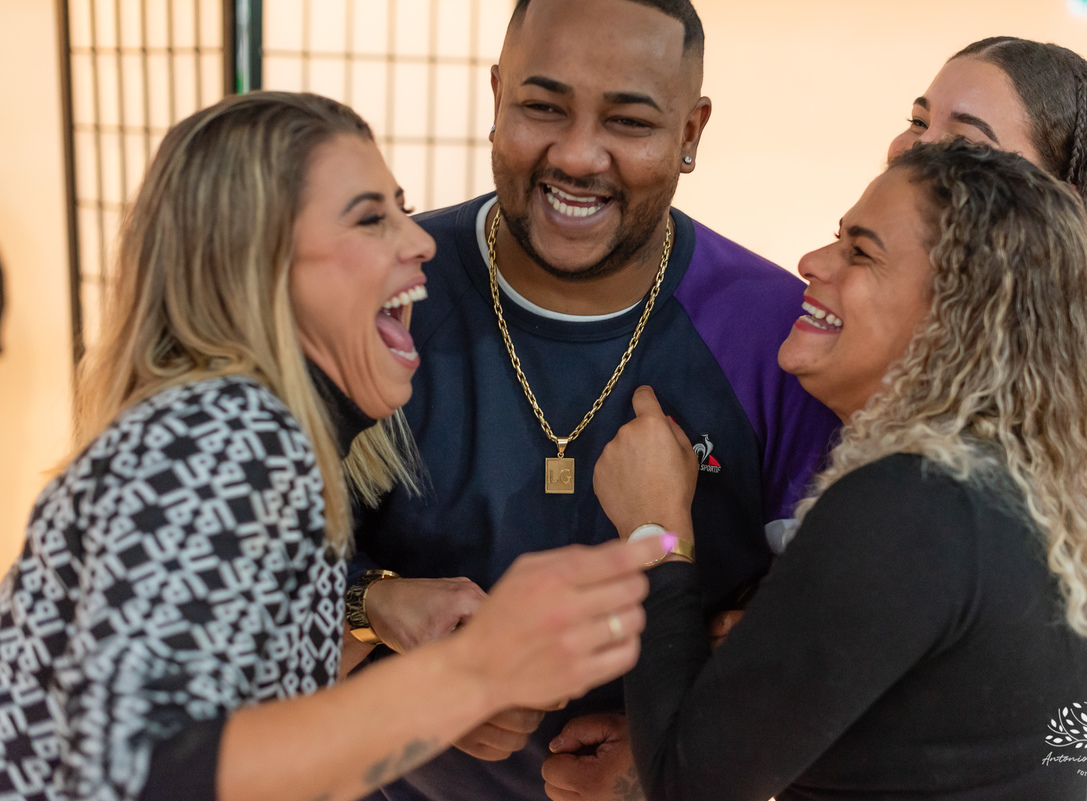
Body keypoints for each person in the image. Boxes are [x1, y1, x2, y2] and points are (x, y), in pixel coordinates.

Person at [0, 91, 674, 801]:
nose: (419, 242)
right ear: (252, 263)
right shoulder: (227, 430)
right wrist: (478, 667)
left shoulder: (255, 440)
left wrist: (375, 612)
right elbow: (145, 765)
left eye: (403, 208)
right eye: (370, 219)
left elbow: (244, 691)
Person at [350, 1, 840, 799]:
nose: (577, 156)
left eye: (629, 122)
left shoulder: (779, 338)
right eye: (542, 108)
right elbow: (266, 586)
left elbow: (827, 633)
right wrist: (398, 654)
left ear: (691, 134)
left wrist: (675, 743)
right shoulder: (388, 297)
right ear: (496, 97)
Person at [594, 140, 1087, 800]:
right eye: (835, 240)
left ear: (954, 319)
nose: (812, 264)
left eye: (860, 253)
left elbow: (688, 784)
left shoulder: (910, 504)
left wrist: (655, 528)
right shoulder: (996, 488)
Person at [889, 37, 1087, 799]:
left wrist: (1027, 709)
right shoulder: (911, 344)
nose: (916, 150)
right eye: (918, 120)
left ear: (1053, 195)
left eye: (964, 140)